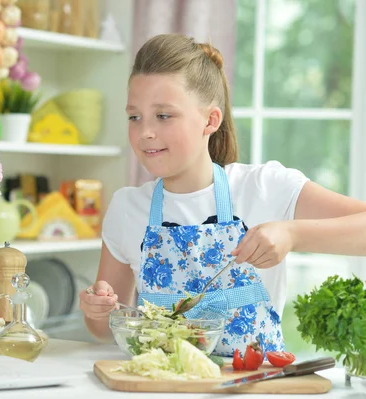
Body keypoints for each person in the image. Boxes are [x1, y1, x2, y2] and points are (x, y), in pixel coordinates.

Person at [79, 33, 366, 357]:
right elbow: (103, 330)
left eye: (163, 115)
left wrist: (292, 233)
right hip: (162, 389)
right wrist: (98, 310)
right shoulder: (127, 208)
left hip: (255, 388)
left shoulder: (264, 187)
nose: (145, 131)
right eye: (135, 116)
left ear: (210, 120)